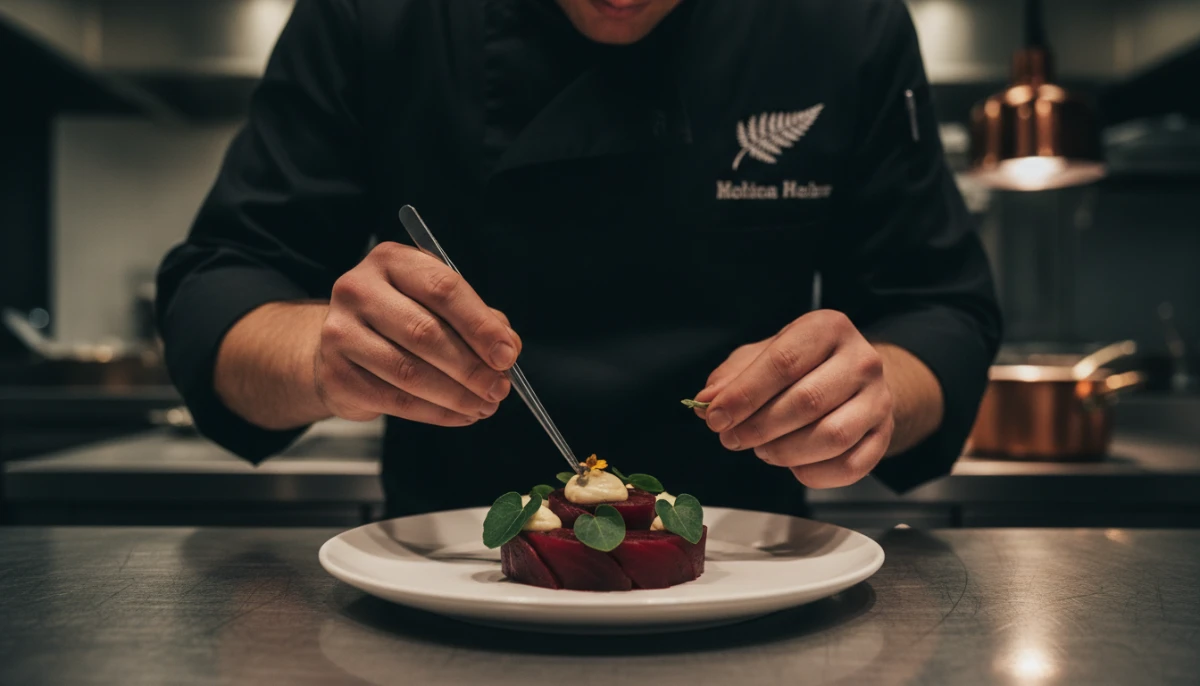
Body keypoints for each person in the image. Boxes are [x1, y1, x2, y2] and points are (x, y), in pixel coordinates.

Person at [157, 0, 1001, 519]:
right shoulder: (370, 14)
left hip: (753, 579)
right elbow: (217, 298)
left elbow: (940, 315)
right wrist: (320, 356)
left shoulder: (844, 23)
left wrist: (875, 391)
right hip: (444, 581)